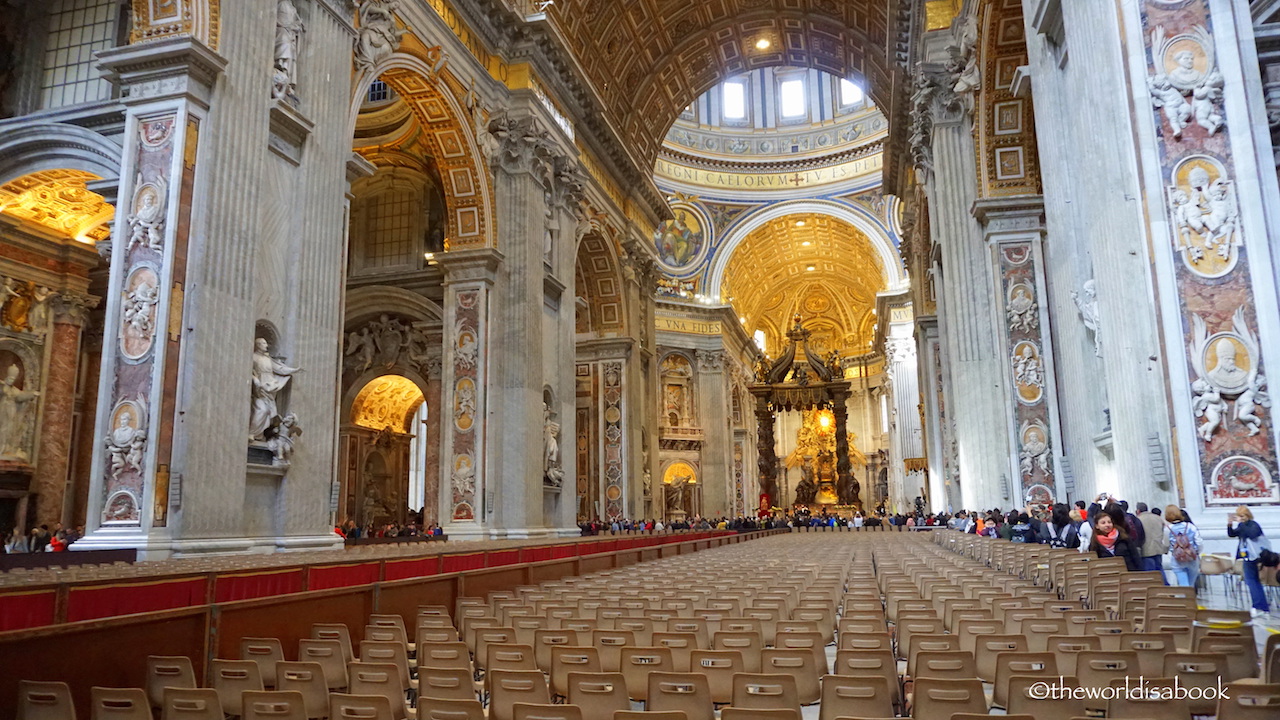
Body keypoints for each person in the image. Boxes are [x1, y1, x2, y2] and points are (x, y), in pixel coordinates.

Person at [1227, 505, 1271, 616]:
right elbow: (1232, 534)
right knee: (1252, 580)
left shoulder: (1253, 525)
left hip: (1256, 556)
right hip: (1247, 555)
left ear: (1247, 516)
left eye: (1241, 516)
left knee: (1252, 581)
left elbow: (1253, 534)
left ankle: (1258, 606)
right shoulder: (1242, 526)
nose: (1240, 518)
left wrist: (1242, 523)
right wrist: (1229, 524)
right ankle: (1262, 606)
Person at [1163, 505, 1202, 588]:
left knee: (1183, 584)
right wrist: (1197, 551)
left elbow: (1166, 544)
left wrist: (1166, 551)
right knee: (1191, 584)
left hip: (1177, 558)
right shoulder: (1190, 526)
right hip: (1192, 557)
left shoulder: (1167, 529)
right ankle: (1191, 599)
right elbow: (1199, 542)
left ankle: (1186, 598)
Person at [1136, 502, 1169, 576]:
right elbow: (1165, 532)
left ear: (1138, 511)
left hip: (1146, 550)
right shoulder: (1157, 518)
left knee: (1151, 574)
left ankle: (1156, 587)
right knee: (1160, 570)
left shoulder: (1138, 519)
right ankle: (1165, 586)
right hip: (1158, 548)